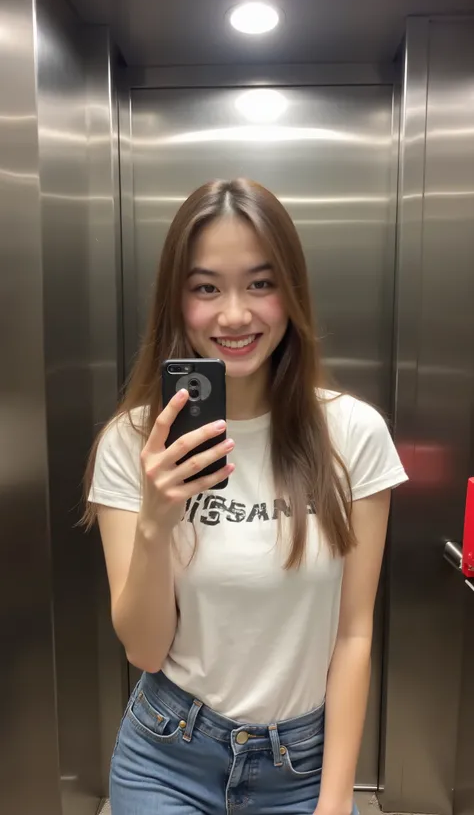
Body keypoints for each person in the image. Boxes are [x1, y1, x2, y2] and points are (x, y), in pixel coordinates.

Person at [84, 178, 408, 815]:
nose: (235, 315)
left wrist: (336, 800)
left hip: (303, 765)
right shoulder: (132, 443)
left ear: (292, 293)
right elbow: (145, 650)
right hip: (168, 756)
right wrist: (155, 521)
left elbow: (352, 635)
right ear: (177, 303)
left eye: (261, 283)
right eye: (206, 288)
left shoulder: (353, 434)